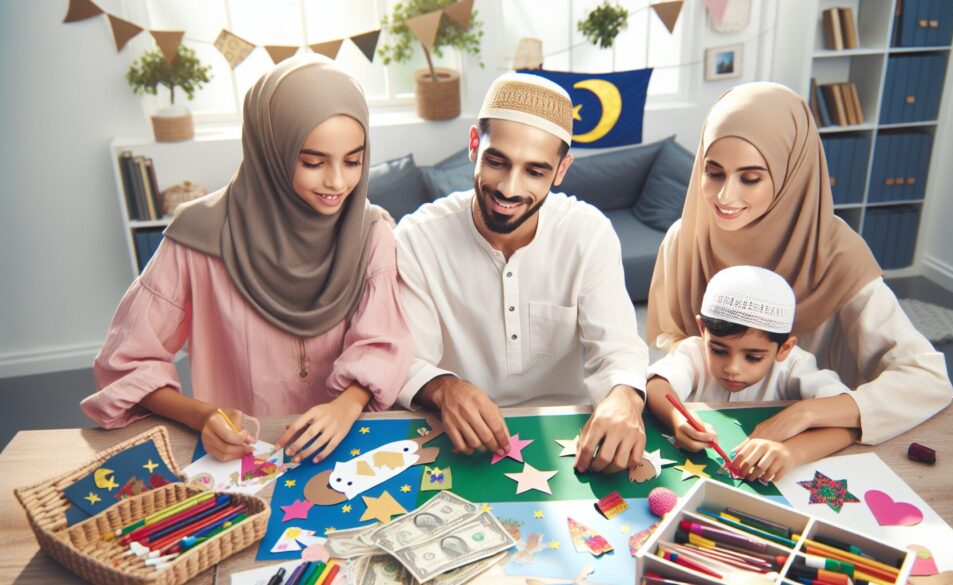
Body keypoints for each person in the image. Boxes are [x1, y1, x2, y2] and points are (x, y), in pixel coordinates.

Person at [81, 56, 413, 463]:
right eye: (313, 162)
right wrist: (205, 416)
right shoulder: (199, 237)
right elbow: (127, 361)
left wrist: (346, 406)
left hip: (345, 448)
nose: (337, 181)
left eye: (353, 161)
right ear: (269, 151)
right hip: (242, 456)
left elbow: (383, 344)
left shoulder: (372, 233)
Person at [647, 82, 952, 449]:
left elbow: (927, 379)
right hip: (706, 437)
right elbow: (675, 348)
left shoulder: (836, 253)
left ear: (791, 173)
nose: (725, 196)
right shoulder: (685, 239)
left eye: (750, 178)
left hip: (811, 444)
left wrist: (807, 413)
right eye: (713, 173)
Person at [395, 72, 649, 474]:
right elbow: (406, 358)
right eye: (497, 162)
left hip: (568, 438)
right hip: (452, 437)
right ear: (474, 145)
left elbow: (617, 347)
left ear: (561, 170)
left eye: (535, 171)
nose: (510, 189)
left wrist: (624, 397)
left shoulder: (589, 233)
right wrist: (442, 388)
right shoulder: (416, 238)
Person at [647, 265, 855, 482]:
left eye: (753, 357)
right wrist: (677, 418)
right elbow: (657, 384)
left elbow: (848, 424)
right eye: (718, 351)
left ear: (784, 348)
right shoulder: (694, 352)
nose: (732, 368)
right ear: (702, 329)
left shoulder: (795, 366)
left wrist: (793, 452)